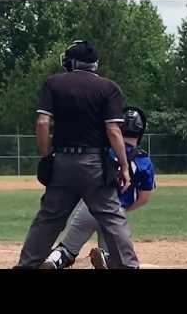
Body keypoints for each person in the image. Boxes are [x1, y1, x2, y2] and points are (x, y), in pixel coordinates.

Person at [14, 40, 139, 269]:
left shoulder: (53, 84)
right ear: (94, 64)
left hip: (62, 162)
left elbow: (43, 122)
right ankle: (127, 266)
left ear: (70, 62)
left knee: (49, 219)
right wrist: (123, 165)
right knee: (112, 218)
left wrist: (46, 154)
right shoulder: (108, 88)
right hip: (95, 165)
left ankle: (26, 265)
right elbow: (113, 130)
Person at [40, 107, 156, 269]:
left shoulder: (103, 151)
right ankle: (106, 258)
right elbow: (144, 198)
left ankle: (54, 260)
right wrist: (121, 209)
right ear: (141, 131)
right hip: (116, 213)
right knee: (117, 256)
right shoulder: (145, 161)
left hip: (89, 207)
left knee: (67, 249)